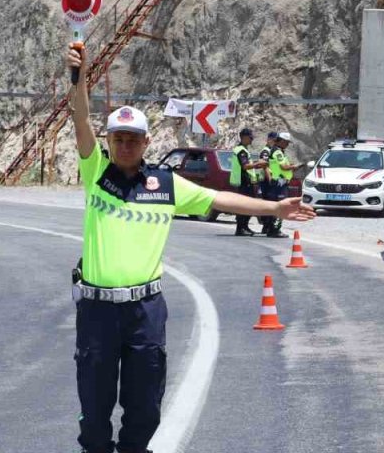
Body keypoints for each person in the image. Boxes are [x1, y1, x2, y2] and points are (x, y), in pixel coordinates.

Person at [66, 43, 315, 453]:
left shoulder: (165, 185)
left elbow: (220, 200)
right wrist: (78, 79)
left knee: (144, 411)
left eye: (133, 139)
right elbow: (79, 123)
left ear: (147, 143)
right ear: (108, 141)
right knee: (94, 416)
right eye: (117, 138)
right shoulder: (96, 173)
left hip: (144, 310)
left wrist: (274, 207)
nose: (124, 145)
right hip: (97, 312)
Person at [229, 127, 268, 237]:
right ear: (245, 138)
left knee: (248, 205)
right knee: (244, 205)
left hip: (247, 182)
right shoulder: (241, 150)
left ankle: (245, 226)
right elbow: (245, 166)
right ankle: (240, 228)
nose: (252, 140)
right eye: (251, 138)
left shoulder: (244, 149)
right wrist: (258, 163)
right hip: (243, 182)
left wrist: (257, 164)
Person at [264, 132, 302, 239]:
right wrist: (294, 166)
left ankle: (271, 229)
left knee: (277, 206)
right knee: (281, 207)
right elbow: (283, 167)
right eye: (286, 142)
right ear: (281, 141)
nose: (287, 144)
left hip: (278, 182)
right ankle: (275, 230)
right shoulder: (278, 152)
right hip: (279, 183)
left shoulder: (279, 151)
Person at [257, 131, 279, 236]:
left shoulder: (273, 150)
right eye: (274, 140)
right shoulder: (266, 151)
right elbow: (265, 166)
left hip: (271, 180)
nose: (275, 142)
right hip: (266, 181)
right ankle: (267, 226)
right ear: (269, 139)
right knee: (268, 203)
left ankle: (267, 226)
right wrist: (270, 179)